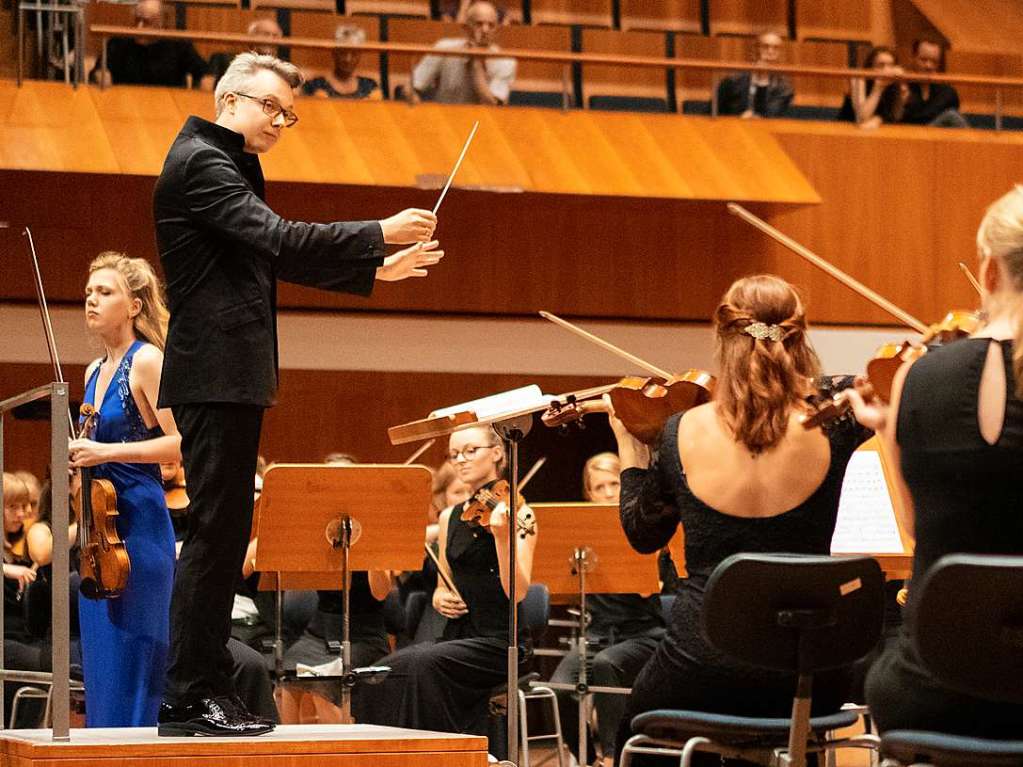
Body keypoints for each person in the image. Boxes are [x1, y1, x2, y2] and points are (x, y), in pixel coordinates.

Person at [153, 51, 442, 736]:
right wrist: (376, 234)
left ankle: (199, 691)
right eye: (272, 108)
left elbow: (266, 254)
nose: (282, 122)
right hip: (216, 372)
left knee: (221, 538)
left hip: (228, 371)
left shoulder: (223, 160)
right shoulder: (201, 160)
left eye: (290, 114)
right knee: (215, 540)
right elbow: (279, 237)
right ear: (230, 99)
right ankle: (191, 696)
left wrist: (378, 270)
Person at [607, 275, 872, 763]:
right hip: (811, 669)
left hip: (702, 665)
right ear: (800, 335)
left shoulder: (679, 431)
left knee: (630, 728)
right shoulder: (835, 422)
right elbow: (865, 385)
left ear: (722, 338)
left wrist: (630, 451)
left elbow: (644, 535)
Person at [847, 185, 1023, 737]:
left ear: (989, 272)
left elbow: (918, 530)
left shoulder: (917, 376)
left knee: (882, 681)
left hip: (937, 684)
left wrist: (896, 431)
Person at [356, 425, 538, 754]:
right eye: (454, 454)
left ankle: (438, 756)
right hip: (458, 636)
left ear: (497, 453)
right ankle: (389, 757)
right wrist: (440, 596)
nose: (461, 460)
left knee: (423, 663)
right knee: (385, 670)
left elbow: (518, 592)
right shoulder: (451, 516)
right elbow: (443, 586)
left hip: (501, 642)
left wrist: (501, 538)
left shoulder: (519, 512)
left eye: (471, 451)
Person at [68, 252, 182, 728]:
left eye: (106, 292)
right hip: (100, 536)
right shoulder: (94, 370)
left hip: (138, 532)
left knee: (136, 662)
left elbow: (178, 445)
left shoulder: (148, 360)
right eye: (90, 292)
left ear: (134, 305)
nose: (92, 300)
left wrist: (105, 453)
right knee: (103, 667)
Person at [550, 452, 665, 767]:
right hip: (598, 634)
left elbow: (647, 587)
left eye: (614, 484)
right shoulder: (584, 536)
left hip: (643, 633)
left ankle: (614, 757)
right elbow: (564, 590)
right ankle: (588, 758)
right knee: (560, 687)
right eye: (599, 487)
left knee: (605, 665)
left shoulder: (643, 529)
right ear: (589, 493)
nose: (608, 493)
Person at [410, 0, 516, 105]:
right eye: (479, 24)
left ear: (496, 31)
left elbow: (493, 107)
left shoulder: (506, 61)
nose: (485, 30)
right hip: (446, 118)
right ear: (466, 28)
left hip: (484, 120)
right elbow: (411, 87)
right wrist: (420, 111)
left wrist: (476, 65)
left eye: (491, 25)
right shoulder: (444, 48)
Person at [90, 0, 212, 90]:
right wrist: (101, 75)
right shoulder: (119, 42)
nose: (139, 27)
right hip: (125, 104)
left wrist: (205, 84)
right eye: (137, 20)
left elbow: (205, 74)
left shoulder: (178, 43)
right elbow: (98, 71)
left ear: (162, 22)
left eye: (147, 22)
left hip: (168, 106)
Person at [884, 38, 967, 128]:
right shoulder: (901, 86)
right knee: (952, 116)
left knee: (952, 116)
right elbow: (890, 120)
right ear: (913, 58)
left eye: (934, 61)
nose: (929, 65)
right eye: (923, 60)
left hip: (937, 138)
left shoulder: (948, 92)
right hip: (905, 136)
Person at [716, 32, 793, 118]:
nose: (770, 51)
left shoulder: (784, 87)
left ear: (780, 54)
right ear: (755, 49)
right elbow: (712, 111)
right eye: (765, 46)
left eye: (776, 48)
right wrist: (737, 119)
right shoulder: (733, 80)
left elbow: (771, 115)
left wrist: (763, 80)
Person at [303, 25, 380, 100]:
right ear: (334, 53)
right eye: (343, 52)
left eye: (354, 53)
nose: (348, 59)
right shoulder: (315, 86)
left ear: (360, 55)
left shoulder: (369, 87)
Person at [838, 46, 902, 129]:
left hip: (881, 130)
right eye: (880, 65)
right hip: (848, 128)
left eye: (891, 65)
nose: (886, 70)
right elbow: (861, 117)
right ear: (870, 66)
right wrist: (878, 88)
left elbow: (895, 116)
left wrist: (878, 119)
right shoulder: (859, 79)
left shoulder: (894, 82)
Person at [208, 18, 284, 86]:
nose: (270, 39)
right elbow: (207, 85)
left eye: (275, 35)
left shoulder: (283, 68)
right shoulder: (225, 60)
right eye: (265, 34)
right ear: (251, 36)